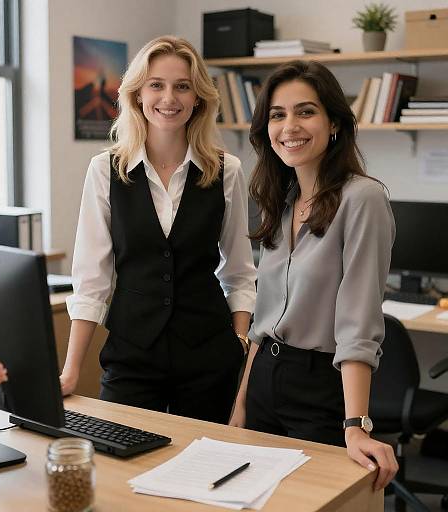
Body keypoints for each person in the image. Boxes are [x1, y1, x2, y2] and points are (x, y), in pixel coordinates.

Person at [61, 35, 256, 425]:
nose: (169, 97)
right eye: (157, 85)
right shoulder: (106, 170)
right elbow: (92, 281)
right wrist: (70, 370)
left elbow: (239, 273)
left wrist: (237, 343)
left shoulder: (226, 170)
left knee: (204, 473)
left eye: (182, 86)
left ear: (198, 96)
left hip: (208, 356)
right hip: (131, 354)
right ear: (137, 94)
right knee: (119, 467)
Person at [229, 61, 399, 490]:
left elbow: (358, 322)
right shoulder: (280, 201)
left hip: (320, 388)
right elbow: (262, 324)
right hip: (264, 380)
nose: (290, 126)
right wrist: (241, 405)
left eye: (306, 111)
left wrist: (356, 424)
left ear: (334, 123)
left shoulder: (364, 199)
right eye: (278, 114)